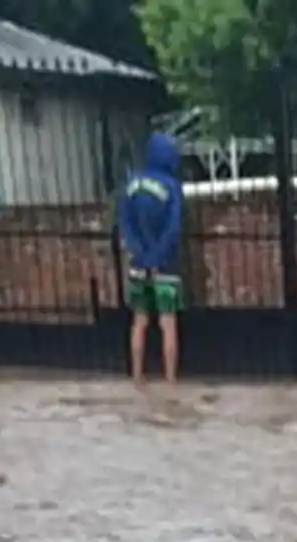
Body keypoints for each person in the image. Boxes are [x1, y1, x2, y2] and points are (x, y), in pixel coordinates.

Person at [118, 131, 184, 384]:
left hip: (137, 264)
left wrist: (140, 254)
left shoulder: (132, 184)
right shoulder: (171, 186)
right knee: (168, 323)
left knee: (140, 321)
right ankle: (170, 380)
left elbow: (125, 223)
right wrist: (157, 256)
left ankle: (136, 376)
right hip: (165, 265)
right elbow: (173, 226)